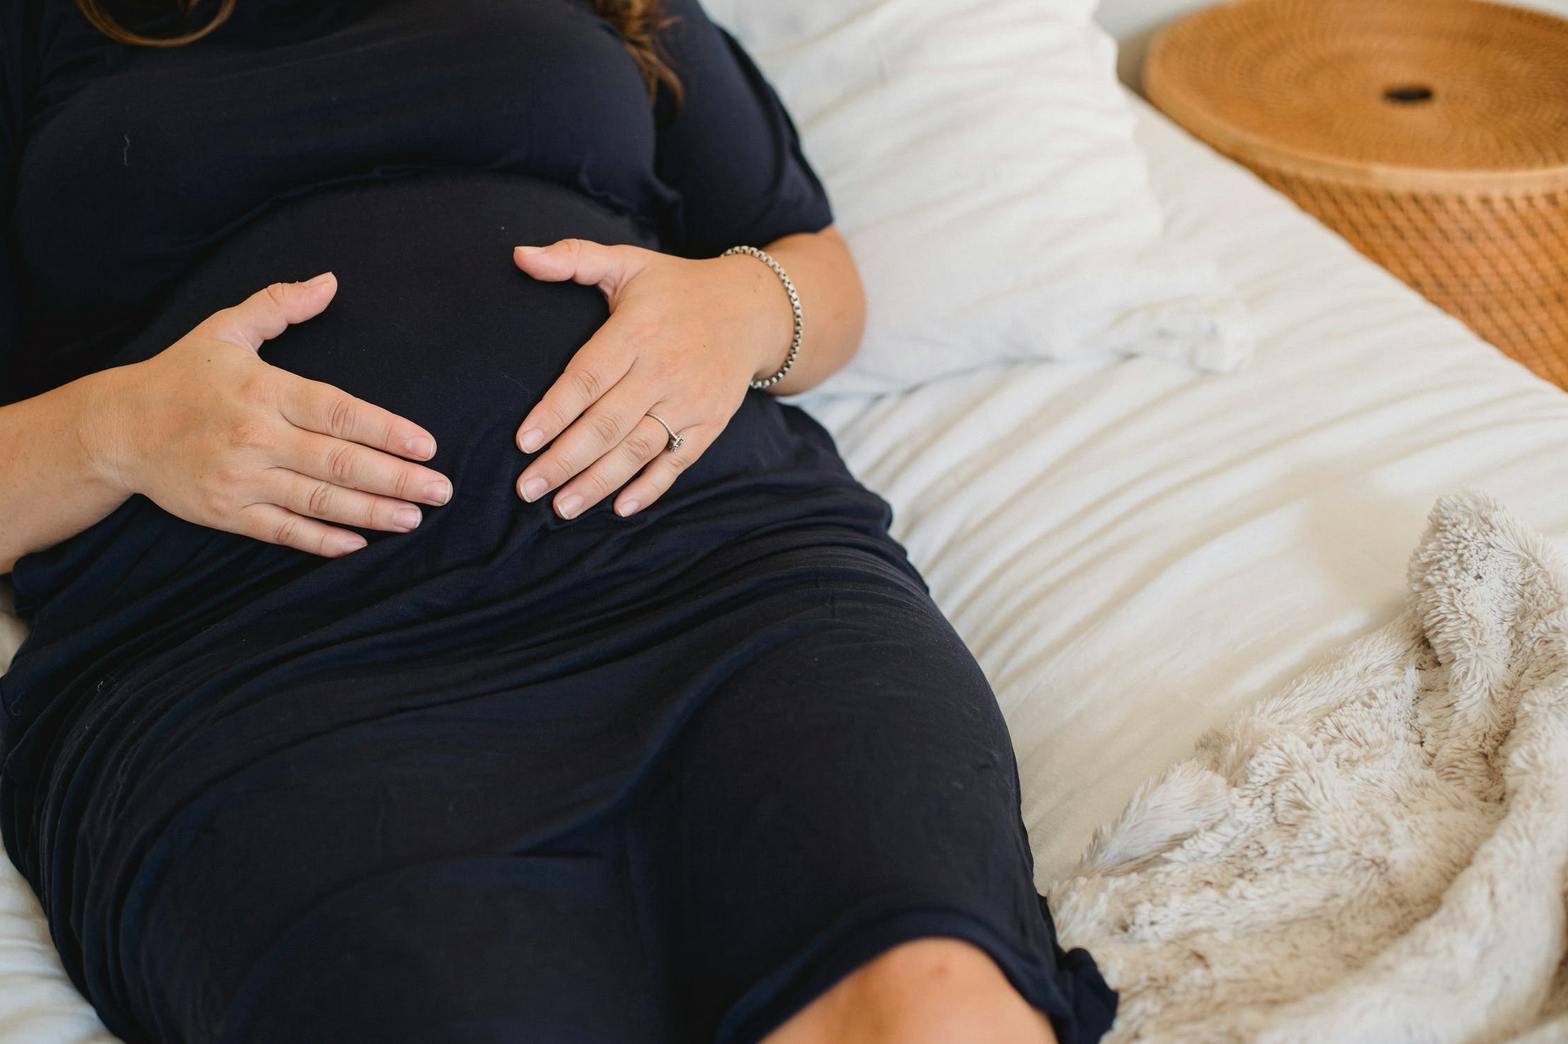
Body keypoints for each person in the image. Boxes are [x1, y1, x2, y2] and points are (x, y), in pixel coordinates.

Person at [0, 0, 1118, 1041]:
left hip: (712, 584)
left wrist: (733, 310)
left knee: (926, 995)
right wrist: (113, 429)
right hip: (257, 667)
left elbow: (811, 268)